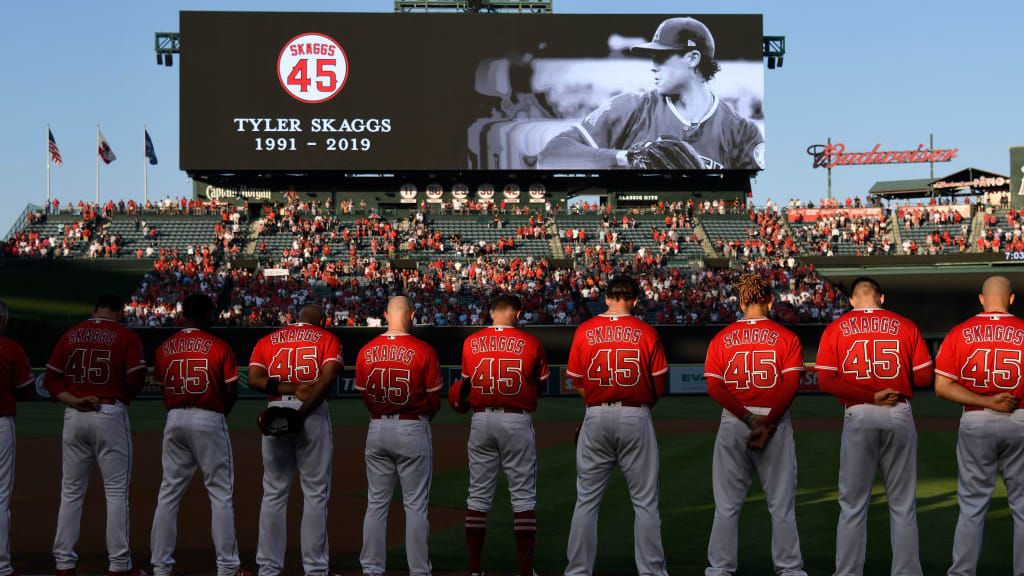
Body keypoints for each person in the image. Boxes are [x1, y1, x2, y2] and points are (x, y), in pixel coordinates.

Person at [815, 277, 933, 576]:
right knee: (903, 504)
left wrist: (868, 393)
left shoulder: (835, 328)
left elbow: (826, 380)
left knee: (853, 505)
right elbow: (923, 378)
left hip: (859, 414)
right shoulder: (906, 325)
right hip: (898, 412)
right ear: (881, 298)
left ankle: (848, 572)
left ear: (853, 300)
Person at [538, 16, 764, 170]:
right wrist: (626, 158)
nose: (653, 66)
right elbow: (550, 156)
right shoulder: (632, 107)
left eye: (662, 57)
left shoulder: (743, 132)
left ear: (692, 58)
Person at [564, 275, 669, 576]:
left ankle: (577, 572)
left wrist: (595, 403)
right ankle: (651, 572)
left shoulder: (585, 330)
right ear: (635, 300)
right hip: (636, 413)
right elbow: (658, 386)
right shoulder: (646, 331)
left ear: (606, 298)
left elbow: (577, 381)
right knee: (645, 502)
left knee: (586, 500)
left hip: (595, 414)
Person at [702, 274, 807, 576]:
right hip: (775, 421)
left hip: (735, 422)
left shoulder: (721, 338)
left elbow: (716, 388)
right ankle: (790, 570)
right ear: (770, 300)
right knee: (781, 504)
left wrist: (749, 419)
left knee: (727, 505)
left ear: (740, 301)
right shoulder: (787, 337)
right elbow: (790, 385)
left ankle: (720, 569)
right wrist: (767, 422)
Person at [45, 294, 148, 576]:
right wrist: (121, 393)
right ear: (119, 312)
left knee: (71, 492)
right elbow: (136, 379)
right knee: (115, 492)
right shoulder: (125, 335)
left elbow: (50, 379)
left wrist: (73, 399)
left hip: (74, 412)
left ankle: (64, 563)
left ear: (94, 310)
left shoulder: (71, 334)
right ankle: (119, 564)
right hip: (109, 411)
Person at [449, 294, 549, 576]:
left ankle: (474, 569)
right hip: (516, 420)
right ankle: (526, 570)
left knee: (478, 496)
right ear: (517, 313)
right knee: (523, 498)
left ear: (491, 312)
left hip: (481, 420)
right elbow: (540, 386)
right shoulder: (531, 343)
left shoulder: (471, 342)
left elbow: (464, 389)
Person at [150, 294, 250, 576]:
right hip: (209, 416)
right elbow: (231, 392)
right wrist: (217, 414)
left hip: (174, 418)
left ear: (182, 315)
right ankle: (228, 566)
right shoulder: (219, 345)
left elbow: (161, 388)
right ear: (207, 314)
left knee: (168, 493)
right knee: (220, 494)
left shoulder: (165, 347)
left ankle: (160, 566)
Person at [933, 276, 1023, 576]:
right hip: (1020, 418)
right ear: (1011, 300)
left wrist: (986, 402)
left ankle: (962, 572)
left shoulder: (960, 333)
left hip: (975, 419)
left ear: (982, 299)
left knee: (972, 506)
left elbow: (942, 387)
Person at [248, 304, 343, 576]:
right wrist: (301, 413)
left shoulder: (268, 340)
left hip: (275, 410)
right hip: (310, 414)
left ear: (295, 319)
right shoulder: (328, 338)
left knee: (273, 493)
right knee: (315, 494)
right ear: (322, 321)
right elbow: (327, 379)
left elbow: (254, 380)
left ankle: (268, 568)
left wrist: (285, 390)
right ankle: (315, 569)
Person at [355, 295, 442, 576]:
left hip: (377, 426)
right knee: (415, 505)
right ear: (412, 315)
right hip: (412, 426)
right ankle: (418, 570)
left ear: (385, 314)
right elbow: (434, 400)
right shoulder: (423, 349)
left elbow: (364, 396)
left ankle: (371, 569)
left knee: (376, 504)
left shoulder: (366, 350)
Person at [0, 300, 35, 576]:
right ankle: (1, 565)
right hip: (1, 422)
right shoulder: (11, 348)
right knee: (0, 497)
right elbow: (26, 390)